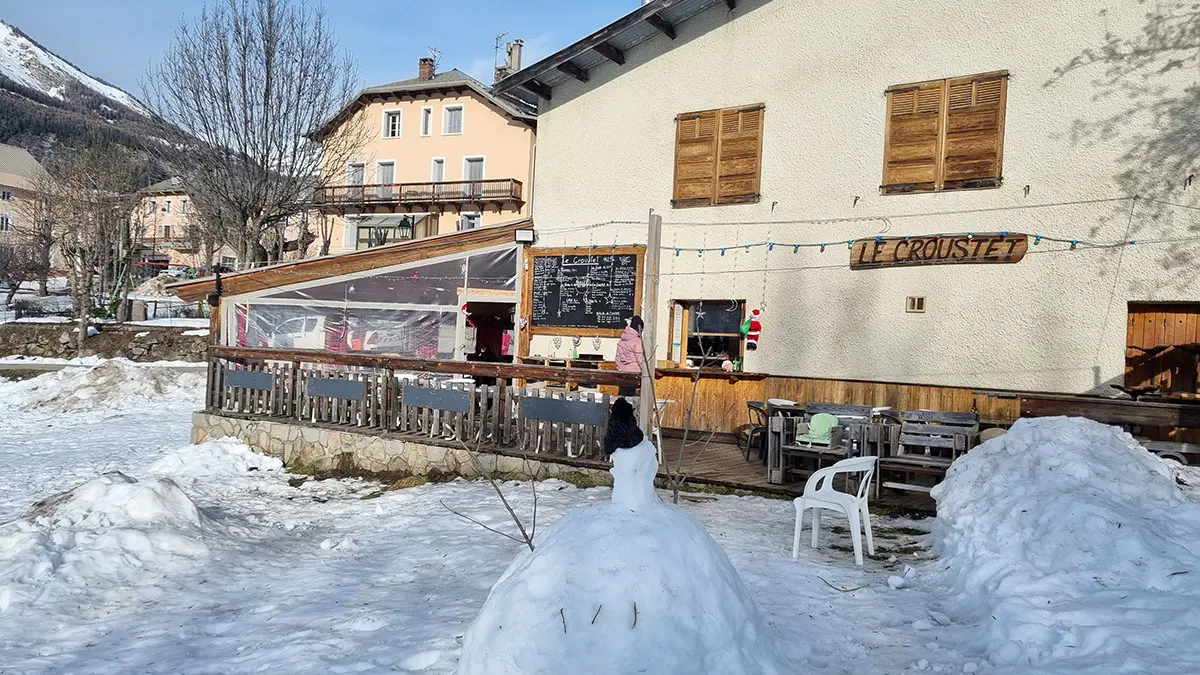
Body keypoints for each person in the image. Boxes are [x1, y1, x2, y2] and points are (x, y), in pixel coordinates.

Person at [614, 315, 645, 397]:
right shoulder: (637, 342)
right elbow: (641, 360)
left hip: (623, 375)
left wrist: (621, 369)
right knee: (633, 400)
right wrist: (644, 372)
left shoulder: (622, 341)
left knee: (623, 396)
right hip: (635, 376)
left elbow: (617, 360)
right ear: (639, 329)